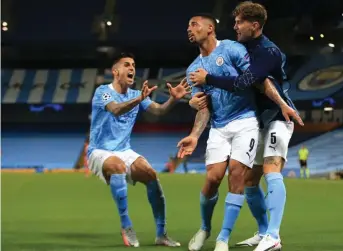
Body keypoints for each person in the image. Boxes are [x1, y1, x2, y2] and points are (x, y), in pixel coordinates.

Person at [189, 2, 304, 251]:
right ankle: (263, 231)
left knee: (272, 170)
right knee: (250, 182)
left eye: (240, 22)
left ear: (255, 25)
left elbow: (244, 83)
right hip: (256, 120)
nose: (235, 26)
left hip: (276, 116)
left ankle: (273, 236)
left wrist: (207, 78)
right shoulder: (240, 48)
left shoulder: (267, 52)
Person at [87, 52, 190, 248]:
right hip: (99, 151)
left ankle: (161, 234)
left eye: (133, 65)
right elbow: (116, 109)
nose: (132, 68)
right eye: (126, 65)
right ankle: (126, 225)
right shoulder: (103, 91)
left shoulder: (136, 95)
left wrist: (173, 100)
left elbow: (158, 110)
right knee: (117, 166)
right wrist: (140, 99)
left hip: (124, 150)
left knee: (151, 174)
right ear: (116, 72)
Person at [176, 13, 260, 251]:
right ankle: (205, 228)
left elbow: (252, 78)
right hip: (219, 126)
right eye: (188, 26)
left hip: (245, 120)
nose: (189, 29)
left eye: (194, 24)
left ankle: (223, 237)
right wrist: (194, 135)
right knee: (213, 179)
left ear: (210, 27)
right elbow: (203, 108)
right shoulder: (194, 68)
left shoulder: (232, 49)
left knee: (236, 173)